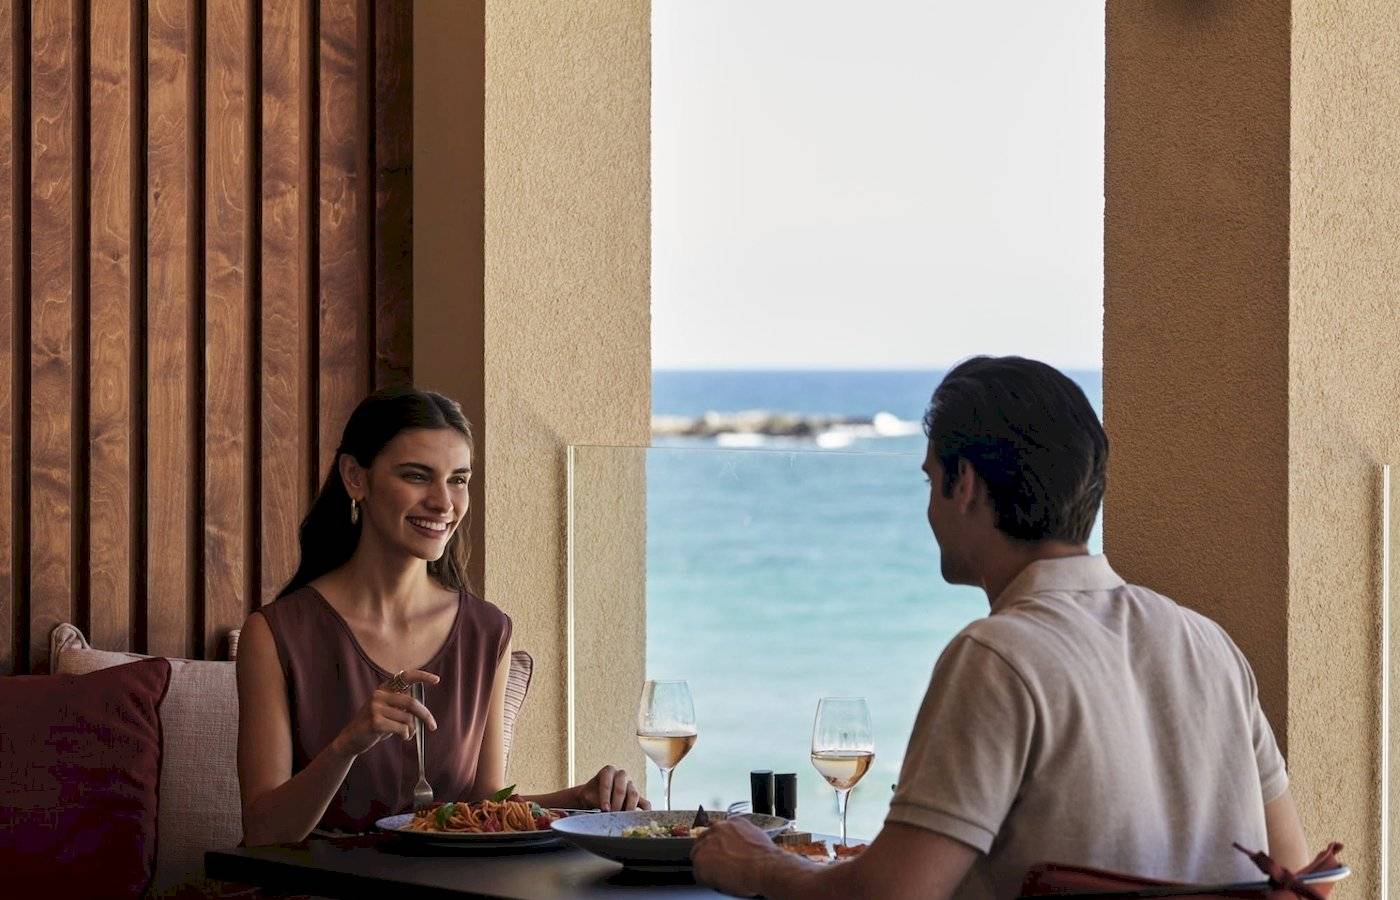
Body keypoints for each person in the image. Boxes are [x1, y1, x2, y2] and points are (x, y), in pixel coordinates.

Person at [692, 356, 1308, 899]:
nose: (929, 507)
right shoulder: (1209, 646)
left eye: (932, 481)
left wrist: (760, 867)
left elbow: (890, 896)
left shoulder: (999, 656)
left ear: (965, 485)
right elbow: (1295, 875)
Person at [237, 386, 646, 845]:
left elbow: (480, 805)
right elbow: (263, 831)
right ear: (355, 477)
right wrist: (347, 745)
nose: (444, 502)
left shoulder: (488, 631)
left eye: (458, 479)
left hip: (449, 885)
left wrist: (579, 801)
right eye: (417, 476)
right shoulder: (274, 634)